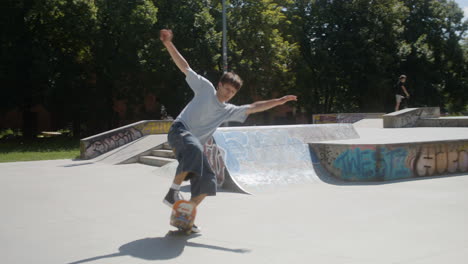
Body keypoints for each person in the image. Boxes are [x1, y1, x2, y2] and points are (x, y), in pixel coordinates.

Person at [160, 29, 297, 232]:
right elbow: (185, 67)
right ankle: (172, 193)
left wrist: (278, 101)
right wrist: (168, 44)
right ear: (219, 85)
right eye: (226, 89)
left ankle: (184, 215)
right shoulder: (205, 88)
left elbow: (254, 107)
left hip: (192, 146)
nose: (228, 94)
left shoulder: (228, 111)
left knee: (209, 180)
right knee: (195, 146)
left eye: (232, 92)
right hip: (179, 132)